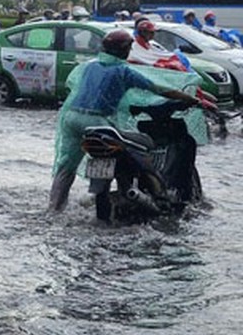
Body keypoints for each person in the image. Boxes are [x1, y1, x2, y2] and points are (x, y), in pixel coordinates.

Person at [49, 29, 211, 212]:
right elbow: (159, 88)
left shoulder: (89, 66)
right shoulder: (125, 72)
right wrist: (189, 99)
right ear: (125, 50)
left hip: (71, 119)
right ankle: (154, 192)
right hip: (97, 123)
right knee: (136, 150)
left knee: (66, 167)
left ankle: (54, 209)